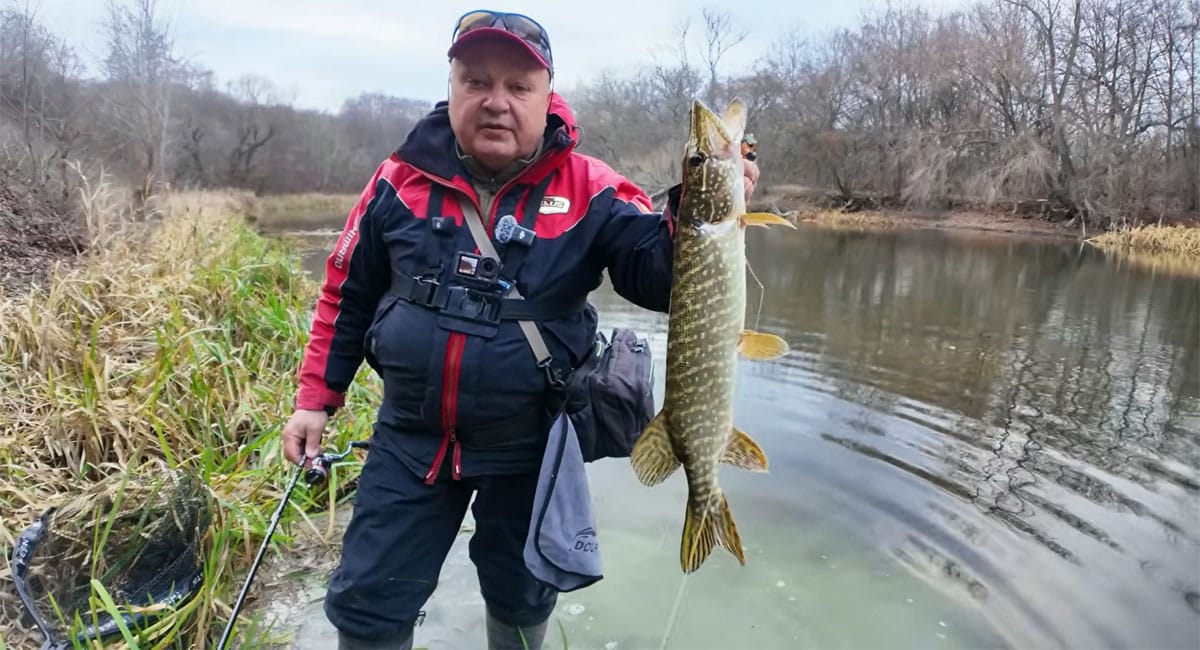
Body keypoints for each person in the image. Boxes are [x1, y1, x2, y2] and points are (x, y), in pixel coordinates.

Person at [281, 9, 760, 650]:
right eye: (476, 81)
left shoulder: (592, 187)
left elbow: (659, 275)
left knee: (522, 594)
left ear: (547, 94)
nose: (496, 101)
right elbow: (347, 291)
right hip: (410, 440)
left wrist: (694, 209)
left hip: (531, 444)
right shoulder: (397, 181)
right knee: (369, 602)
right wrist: (317, 397)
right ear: (451, 86)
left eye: (518, 86)